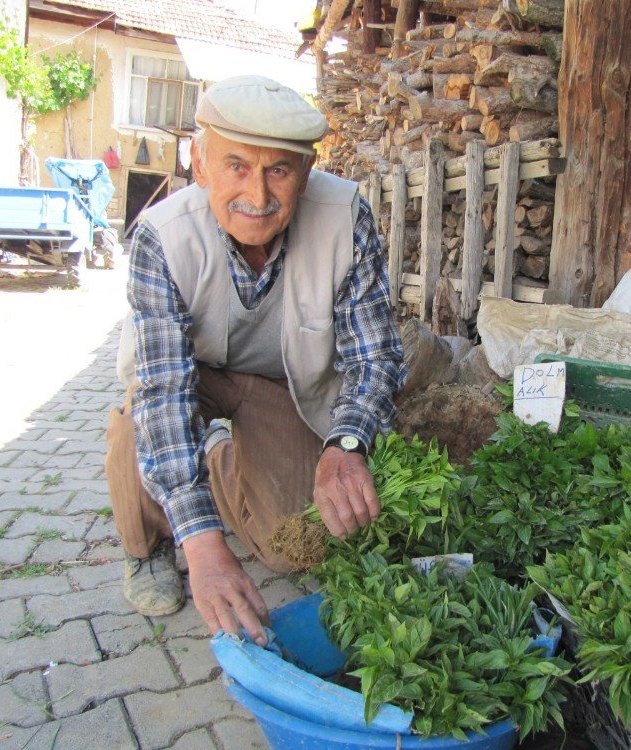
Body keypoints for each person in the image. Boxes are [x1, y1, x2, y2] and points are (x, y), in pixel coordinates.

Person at [104, 75, 405, 646]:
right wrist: (204, 547)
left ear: (307, 172)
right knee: (139, 418)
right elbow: (166, 397)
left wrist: (346, 445)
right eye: (236, 166)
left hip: (279, 388)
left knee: (294, 546)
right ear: (200, 163)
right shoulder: (163, 237)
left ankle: (217, 460)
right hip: (188, 382)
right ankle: (147, 547)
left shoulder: (345, 217)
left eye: (279, 171)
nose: (258, 195)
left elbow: (375, 357)